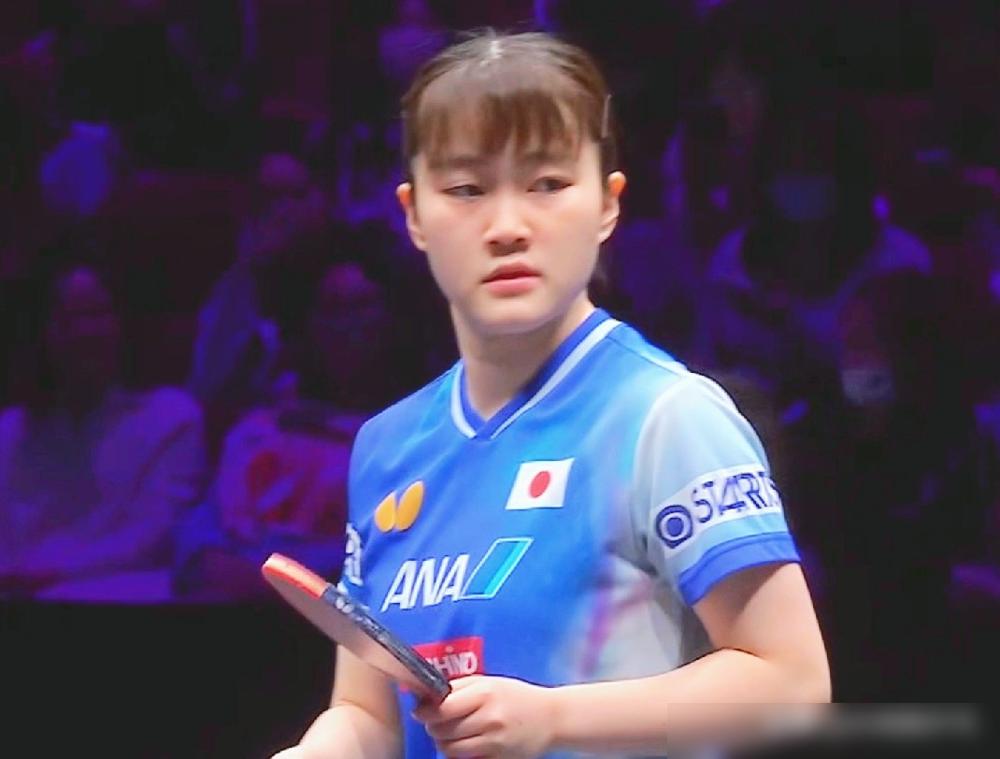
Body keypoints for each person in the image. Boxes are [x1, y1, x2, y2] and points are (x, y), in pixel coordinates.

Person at [273, 31, 829, 759]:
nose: (508, 227)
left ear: (608, 204)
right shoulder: (387, 447)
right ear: (413, 215)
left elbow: (792, 680)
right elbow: (368, 715)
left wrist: (555, 718)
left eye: (547, 184)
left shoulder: (665, 417)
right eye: (466, 190)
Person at [0, 263, 204, 599]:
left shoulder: (172, 417)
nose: (84, 333)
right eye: (67, 319)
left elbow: (157, 533)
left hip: (119, 606)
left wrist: (53, 573)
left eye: (97, 314)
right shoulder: (11, 431)